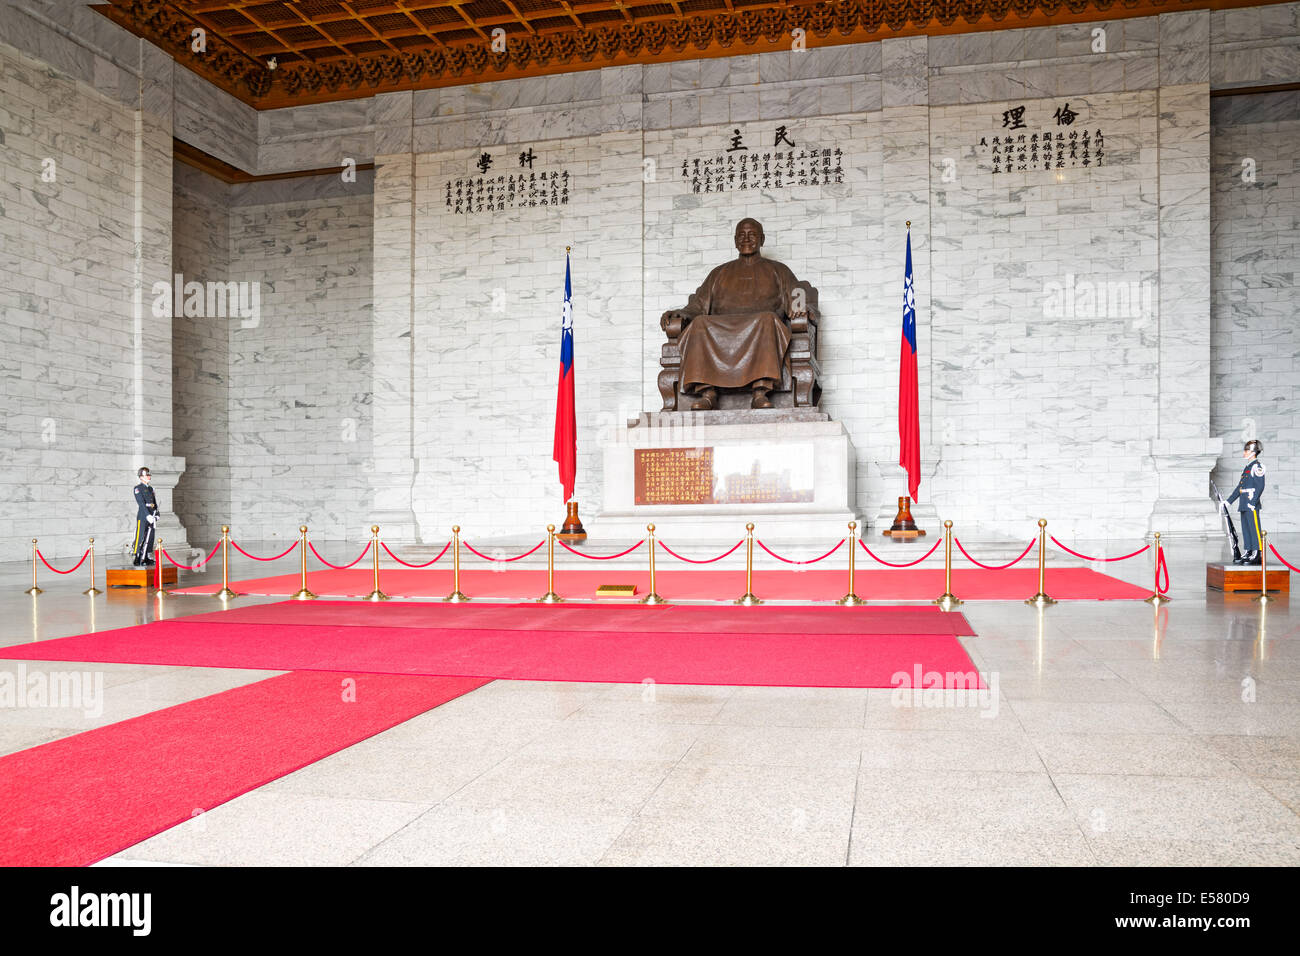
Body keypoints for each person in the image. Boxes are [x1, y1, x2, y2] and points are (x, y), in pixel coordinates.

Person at [660, 218, 816, 410]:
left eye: (752, 235)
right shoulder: (719, 273)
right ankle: (708, 393)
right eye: (741, 235)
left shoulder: (778, 270)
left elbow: (797, 293)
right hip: (721, 327)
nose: (746, 239)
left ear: (762, 239)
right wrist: (680, 313)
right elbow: (698, 305)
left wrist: (798, 305)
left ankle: (760, 392)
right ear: (735, 241)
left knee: (768, 319)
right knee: (699, 323)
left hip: (760, 326)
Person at [1226, 440, 1265, 565]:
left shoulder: (1257, 467)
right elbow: (1240, 487)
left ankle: (1257, 553)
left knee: (1254, 528)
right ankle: (1249, 551)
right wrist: (1229, 501)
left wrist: (1253, 502)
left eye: (1246, 450)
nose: (1244, 452)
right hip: (1244, 502)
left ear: (1253, 452)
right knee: (1246, 528)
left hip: (1251, 503)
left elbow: (1260, 486)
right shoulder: (1248, 467)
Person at [131, 467, 158, 566]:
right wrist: (147, 515)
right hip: (143, 516)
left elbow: (154, 503)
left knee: (150, 536)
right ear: (141, 477)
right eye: (147, 475)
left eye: (149, 475)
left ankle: (146, 556)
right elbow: (141, 504)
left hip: (152, 515)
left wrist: (157, 514)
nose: (149, 476)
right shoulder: (138, 488)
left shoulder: (151, 489)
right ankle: (137, 556)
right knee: (141, 535)